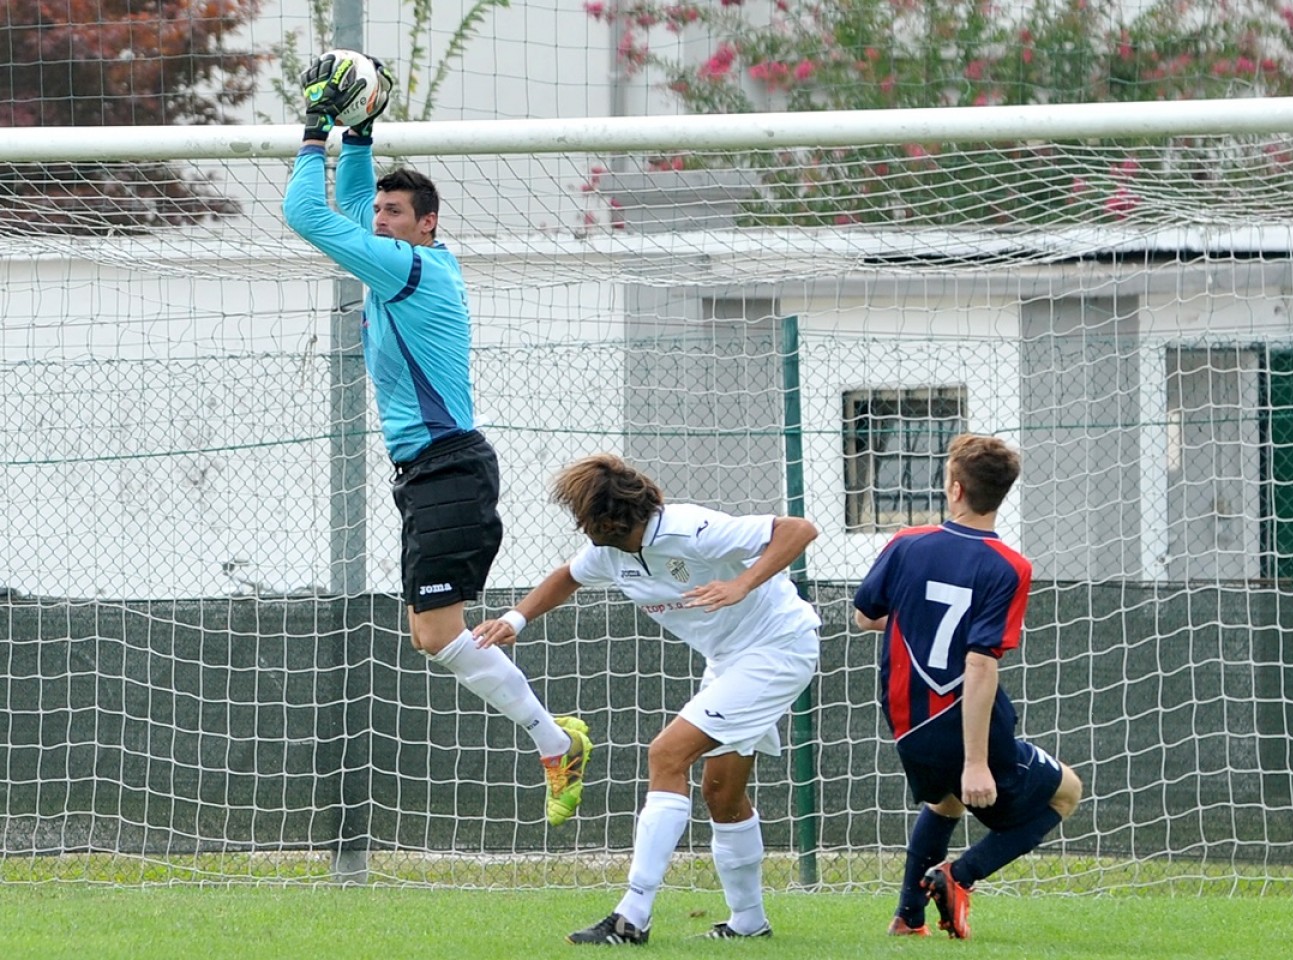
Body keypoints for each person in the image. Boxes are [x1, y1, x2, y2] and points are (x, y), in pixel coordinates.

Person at [282, 52, 591, 827]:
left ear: (429, 225)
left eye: (395, 214)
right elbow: (348, 210)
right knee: (433, 634)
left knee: (434, 633)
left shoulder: (415, 272)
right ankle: (556, 741)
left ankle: (556, 742)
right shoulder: (399, 262)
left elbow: (305, 217)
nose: (380, 222)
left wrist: (316, 126)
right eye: (380, 213)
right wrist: (361, 135)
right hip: (430, 473)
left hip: (448, 468)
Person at [473, 454, 821, 944]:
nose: (578, 526)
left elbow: (799, 529)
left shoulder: (691, 529)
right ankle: (749, 923)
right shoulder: (611, 554)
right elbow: (566, 576)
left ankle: (631, 916)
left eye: (582, 516)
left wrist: (741, 584)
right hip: (730, 662)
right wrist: (514, 621)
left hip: (777, 648)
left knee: (666, 753)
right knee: (721, 796)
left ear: (609, 517)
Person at [852, 434, 1083, 939]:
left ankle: (908, 917)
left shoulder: (907, 543)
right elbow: (980, 666)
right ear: (1001, 494)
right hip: (965, 722)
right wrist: (977, 761)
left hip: (906, 722)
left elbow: (865, 616)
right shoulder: (1009, 566)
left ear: (954, 488)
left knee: (945, 802)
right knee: (1067, 791)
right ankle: (960, 875)